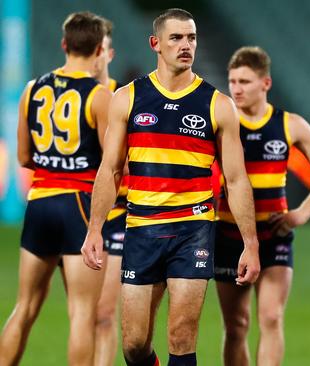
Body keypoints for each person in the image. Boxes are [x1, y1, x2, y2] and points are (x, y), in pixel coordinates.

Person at [80, 8, 260, 366]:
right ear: (155, 44)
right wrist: (95, 228)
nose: (185, 45)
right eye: (176, 38)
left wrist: (250, 244)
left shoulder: (218, 104)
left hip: (193, 229)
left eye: (191, 37)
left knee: (181, 336)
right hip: (142, 229)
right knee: (133, 345)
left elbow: (237, 180)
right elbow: (111, 169)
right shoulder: (127, 98)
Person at [0, 12, 111, 365]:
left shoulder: (32, 89)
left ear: (64, 44)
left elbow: (22, 156)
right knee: (81, 313)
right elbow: (112, 163)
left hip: (40, 202)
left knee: (25, 306)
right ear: (98, 50)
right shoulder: (98, 95)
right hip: (79, 204)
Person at [214, 46, 310, 366]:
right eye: (232, 81)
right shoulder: (223, 124)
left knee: (271, 317)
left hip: (274, 234)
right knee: (236, 325)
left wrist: (302, 212)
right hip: (228, 235)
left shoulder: (289, 125)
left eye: (245, 81)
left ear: (265, 84)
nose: (236, 88)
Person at [93, 16, 127, 366]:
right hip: (75, 214)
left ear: (108, 53)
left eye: (99, 49)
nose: (93, 56)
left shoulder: (121, 100)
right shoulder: (64, 102)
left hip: (117, 217)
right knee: (82, 314)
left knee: (103, 313)